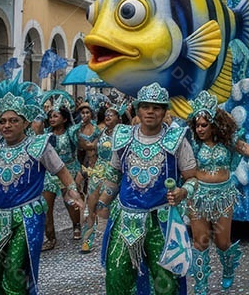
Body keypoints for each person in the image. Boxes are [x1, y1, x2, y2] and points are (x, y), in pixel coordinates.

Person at [0, 74, 84, 295]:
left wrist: (73, 191)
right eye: (3, 121)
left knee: (15, 270)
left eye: (13, 120)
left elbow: (61, 170)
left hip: (27, 218)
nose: (7, 125)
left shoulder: (38, 146)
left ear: (25, 122)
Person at [96, 83, 197, 295]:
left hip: (160, 220)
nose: (150, 111)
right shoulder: (122, 137)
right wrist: (102, 203)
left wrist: (182, 192)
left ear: (164, 111)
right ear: (137, 109)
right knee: (116, 277)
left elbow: (192, 178)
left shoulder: (176, 140)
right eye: (146, 106)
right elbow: (115, 174)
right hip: (126, 218)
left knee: (166, 281)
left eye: (157, 107)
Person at [185, 90, 249, 295]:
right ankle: (201, 285)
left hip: (223, 196)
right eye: (197, 125)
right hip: (198, 196)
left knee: (222, 242)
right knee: (200, 242)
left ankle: (228, 269)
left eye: (204, 124)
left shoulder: (229, 142)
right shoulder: (193, 144)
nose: (200, 128)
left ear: (214, 124)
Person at [81, 101, 124, 254]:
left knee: (108, 208)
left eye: (111, 115)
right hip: (98, 170)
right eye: (106, 115)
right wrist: (78, 132)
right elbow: (89, 145)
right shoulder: (100, 131)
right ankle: (87, 240)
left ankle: (114, 239)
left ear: (119, 118)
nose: (107, 117)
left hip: (114, 173)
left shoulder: (123, 133)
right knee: (91, 204)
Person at [42, 102, 81, 249]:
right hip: (50, 174)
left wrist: (80, 172)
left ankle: (76, 225)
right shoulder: (45, 134)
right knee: (46, 207)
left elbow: (80, 149)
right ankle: (50, 237)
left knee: (71, 203)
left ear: (64, 119)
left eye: (55, 116)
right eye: (50, 116)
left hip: (68, 170)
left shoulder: (71, 133)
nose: (52, 119)